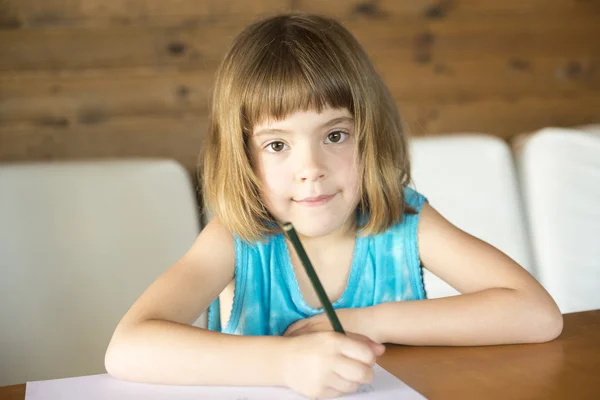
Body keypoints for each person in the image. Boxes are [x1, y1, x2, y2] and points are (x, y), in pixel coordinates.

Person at [105, 13, 563, 399]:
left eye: (335, 136)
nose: (311, 168)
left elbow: (536, 315)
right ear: (242, 156)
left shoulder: (405, 220)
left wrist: (361, 322)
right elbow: (127, 348)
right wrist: (285, 363)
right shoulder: (236, 237)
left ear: (370, 136)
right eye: (277, 144)